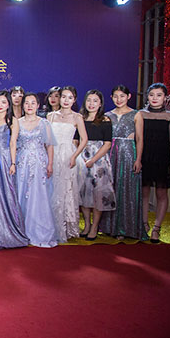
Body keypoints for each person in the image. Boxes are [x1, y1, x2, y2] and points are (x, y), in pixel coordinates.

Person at [0, 91, 29, 250]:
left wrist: (13, 163)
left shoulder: (12, 120)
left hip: (4, 160)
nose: (0, 105)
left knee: (6, 192)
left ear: (9, 104)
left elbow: (13, 143)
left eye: (3, 102)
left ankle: (7, 228)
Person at [100, 85, 146, 240]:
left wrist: (138, 159)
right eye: (115, 96)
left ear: (128, 97)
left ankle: (126, 228)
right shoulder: (107, 115)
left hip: (128, 154)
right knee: (109, 188)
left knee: (127, 188)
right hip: (110, 154)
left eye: (122, 96)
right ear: (111, 97)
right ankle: (108, 227)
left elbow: (140, 139)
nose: (118, 99)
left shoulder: (136, 114)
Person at [16, 93, 58, 248]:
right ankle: (20, 230)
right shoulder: (17, 122)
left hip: (40, 163)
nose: (29, 106)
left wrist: (50, 164)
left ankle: (40, 231)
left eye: (33, 103)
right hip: (22, 163)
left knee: (39, 195)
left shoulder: (44, 123)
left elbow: (50, 145)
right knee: (21, 193)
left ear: (38, 105)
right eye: (27, 103)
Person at [47, 86, 88, 242]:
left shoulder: (77, 117)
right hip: (52, 153)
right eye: (63, 96)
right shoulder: (51, 116)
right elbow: (47, 138)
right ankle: (50, 226)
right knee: (51, 189)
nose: (66, 100)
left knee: (66, 190)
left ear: (74, 100)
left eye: (70, 97)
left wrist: (74, 156)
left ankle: (66, 228)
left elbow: (84, 139)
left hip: (68, 155)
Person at [139, 83, 170, 243]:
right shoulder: (141, 114)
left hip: (162, 158)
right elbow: (138, 138)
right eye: (152, 95)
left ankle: (156, 228)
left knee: (161, 193)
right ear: (147, 97)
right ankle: (143, 225)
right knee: (144, 193)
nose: (155, 98)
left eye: (159, 95)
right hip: (144, 157)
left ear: (165, 98)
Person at [77, 90, 116, 241]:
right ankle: (87, 224)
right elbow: (76, 140)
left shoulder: (105, 120)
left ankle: (95, 226)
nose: (91, 104)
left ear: (100, 104)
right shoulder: (80, 119)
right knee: (83, 193)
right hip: (82, 158)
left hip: (99, 161)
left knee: (98, 194)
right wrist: (79, 156)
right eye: (89, 100)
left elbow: (107, 144)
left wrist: (93, 160)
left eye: (95, 101)